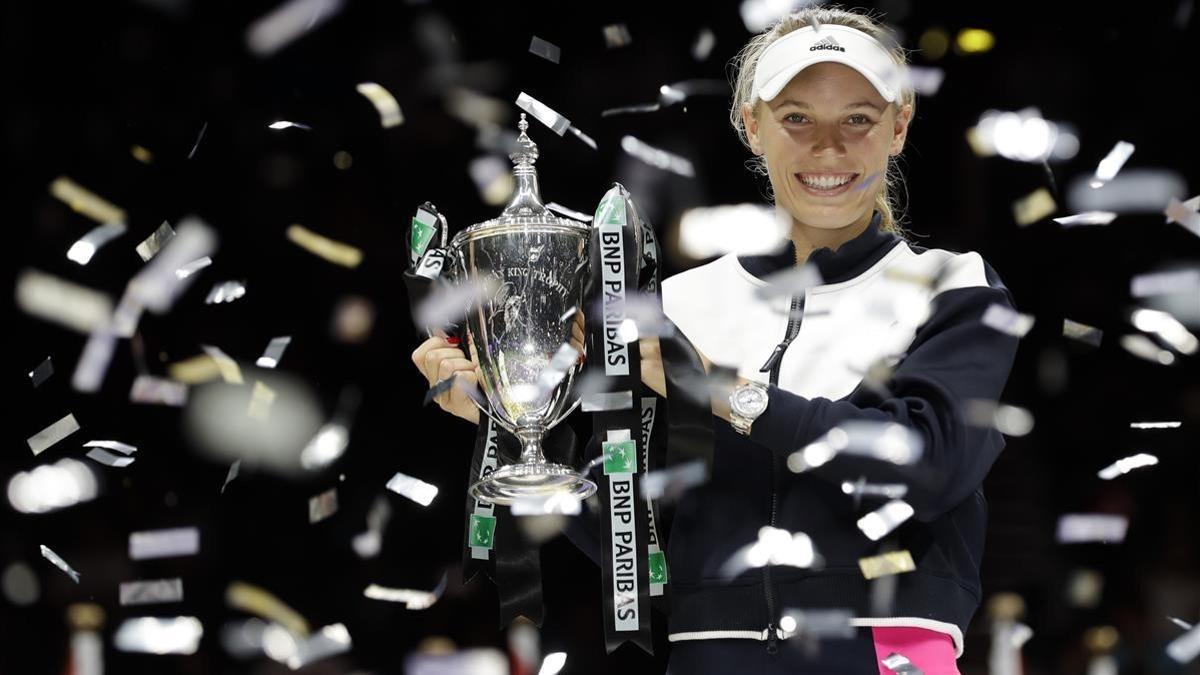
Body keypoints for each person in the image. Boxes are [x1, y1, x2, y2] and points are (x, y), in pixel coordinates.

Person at [413, 6, 1020, 673]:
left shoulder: (951, 284)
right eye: (796, 117)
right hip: (710, 656)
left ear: (898, 127)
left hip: (884, 649)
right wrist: (506, 423)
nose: (828, 146)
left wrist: (725, 392)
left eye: (858, 117)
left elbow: (928, 467)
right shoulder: (678, 302)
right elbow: (633, 540)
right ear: (753, 128)